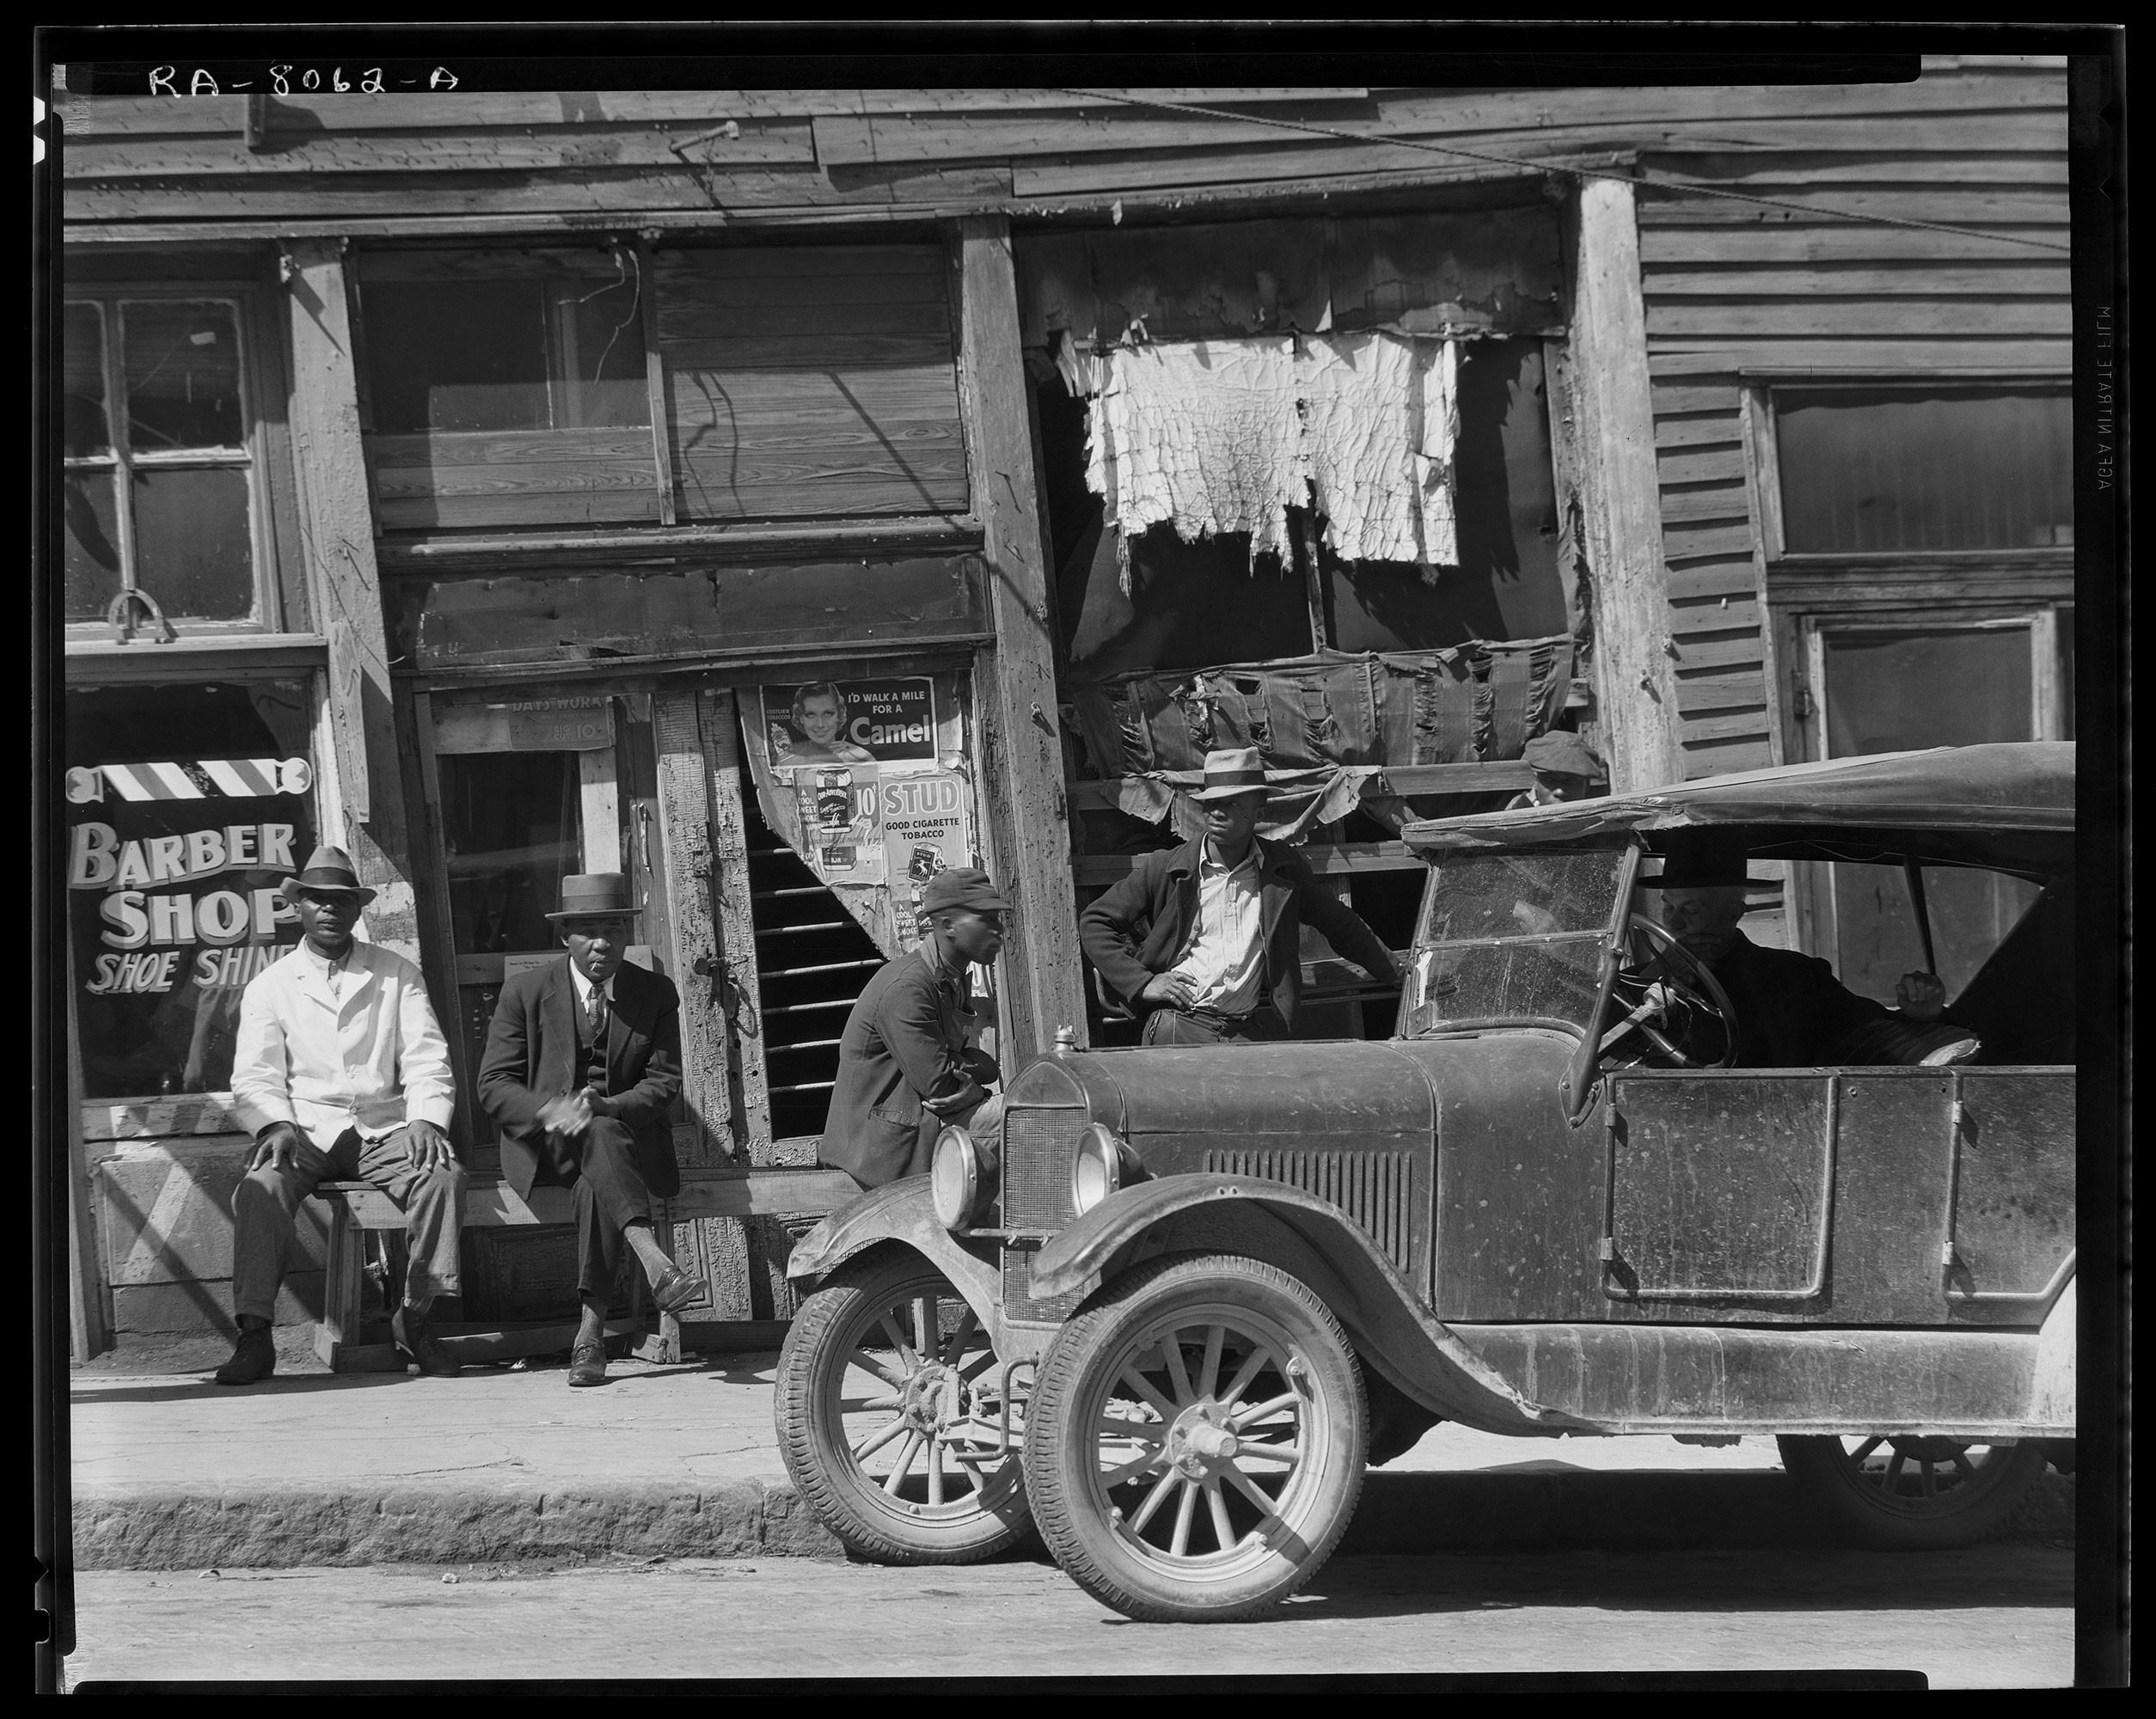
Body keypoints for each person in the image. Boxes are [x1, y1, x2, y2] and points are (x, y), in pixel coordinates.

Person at [220, 847, 466, 1386]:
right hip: (304, 1128)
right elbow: (255, 1075)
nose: (329, 910)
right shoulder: (271, 985)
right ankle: (255, 1336)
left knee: (443, 1176)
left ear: (357, 911)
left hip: (381, 1126)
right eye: (317, 900)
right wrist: (275, 1124)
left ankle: (416, 1318)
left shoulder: (397, 974)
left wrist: (425, 1119)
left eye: (341, 901)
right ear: (299, 908)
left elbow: (427, 1056)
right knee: (260, 1188)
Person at [477, 874, 708, 1388]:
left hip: (618, 1150)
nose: (601, 942)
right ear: (566, 938)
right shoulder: (525, 991)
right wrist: (552, 1110)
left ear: (627, 936)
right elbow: (493, 1086)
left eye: (613, 929)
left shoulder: (654, 992)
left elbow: (665, 1083)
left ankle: (590, 1336)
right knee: (598, 1137)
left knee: (599, 1161)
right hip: (547, 1148)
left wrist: (610, 1104)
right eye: (587, 930)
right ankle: (656, 1264)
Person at [1080, 748, 1402, 1045]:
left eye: (1232, 803)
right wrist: (1142, 982)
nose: (1217, 812)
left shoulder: (1283, 871)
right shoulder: (1167, 867)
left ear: (1259, 810)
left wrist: (1400, 973)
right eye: (1211, 803)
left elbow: (1342, 926)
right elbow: (1095, 922)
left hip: (1242, 1031)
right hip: (1179, 1027)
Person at [1641, 830, 1960, 1068]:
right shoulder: (1636, 982)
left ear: (1732, 914)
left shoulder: (1798, 977)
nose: (1674, 923)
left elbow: (1874, 1035)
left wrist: (1925, 1014)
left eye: (1691, 909)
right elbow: (1599, 1040)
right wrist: (1658, 975)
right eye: (1668, 907)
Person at [821, 868, 1008, 1190]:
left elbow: (966, 1065)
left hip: (920, 1131)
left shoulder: (949, 978)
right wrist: (977, 1087)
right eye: (987, 919)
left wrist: (978, 1068)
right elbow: (942, 1086)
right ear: (948, 926)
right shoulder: (908, 987)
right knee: (1030, 1114)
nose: (999, 930)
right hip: (885, 1155)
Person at [776, 682, 876, 765]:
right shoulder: (792, 756)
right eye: (810, 715)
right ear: (801, 718)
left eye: (828, 714)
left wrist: (867, 757)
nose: (820, 724)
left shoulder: (856, 756)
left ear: (839, 714)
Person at [1504, 731, 1605, 810]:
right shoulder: (1518, 808)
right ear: (1536, 781)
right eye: (1549, 779)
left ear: (1587, 785)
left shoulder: (1602, 822)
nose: (1559, 792)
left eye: (1571, 780)